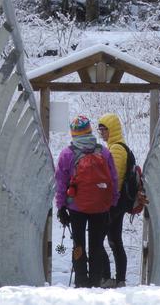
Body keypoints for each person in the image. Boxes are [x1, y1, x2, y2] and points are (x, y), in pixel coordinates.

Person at [55, 115, 119, 287]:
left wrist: (61, 207)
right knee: (97, 244)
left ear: (73, 133)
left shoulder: (67, 154)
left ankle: (81, 282)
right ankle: (96, 282)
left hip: (76, 207)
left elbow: (61, 183)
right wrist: (112, 203)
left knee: (79, 244)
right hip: (100, 207)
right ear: (90, 130)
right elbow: (113, 179)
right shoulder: (104, 152)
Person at [97, 113, 130, 288]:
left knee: (99, 239)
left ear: (112, 130)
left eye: (104, 129)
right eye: (100, 129)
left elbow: (114, 179)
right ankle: (120, 280)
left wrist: (106, 200)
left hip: (114, 203)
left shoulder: (116, 149)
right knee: (115, 240)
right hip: (120, 203)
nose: (101, 133)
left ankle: (108, 277)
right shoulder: (117, 147)